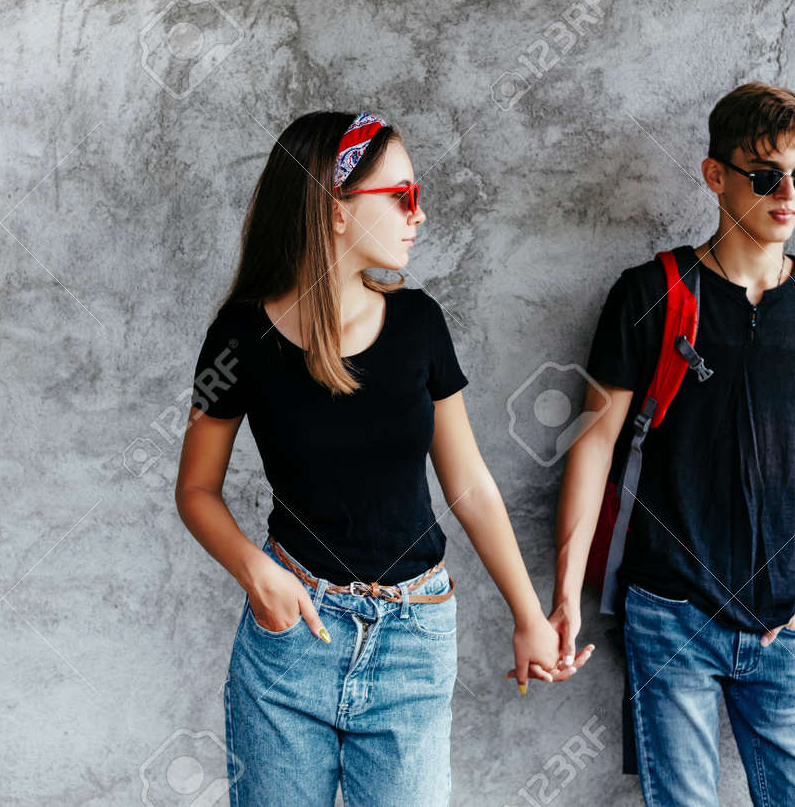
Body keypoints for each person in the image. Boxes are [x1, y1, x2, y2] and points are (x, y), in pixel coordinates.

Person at [175, 111, 566, 806]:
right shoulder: (238, 337)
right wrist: (257, 573)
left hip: (414, 639)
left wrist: (528, 614)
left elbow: (469, 485)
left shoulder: (419, 323)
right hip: (294, 635)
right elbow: (196, 489)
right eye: (402, 196)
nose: (419, 214)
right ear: (335, 211)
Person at [543, 83, 795, 805]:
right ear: (715, 175)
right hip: (670, 612)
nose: (788, 194)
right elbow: (594, 443)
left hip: (785, 620)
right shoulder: (648, 294)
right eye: (767, 175)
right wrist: (567, 590)